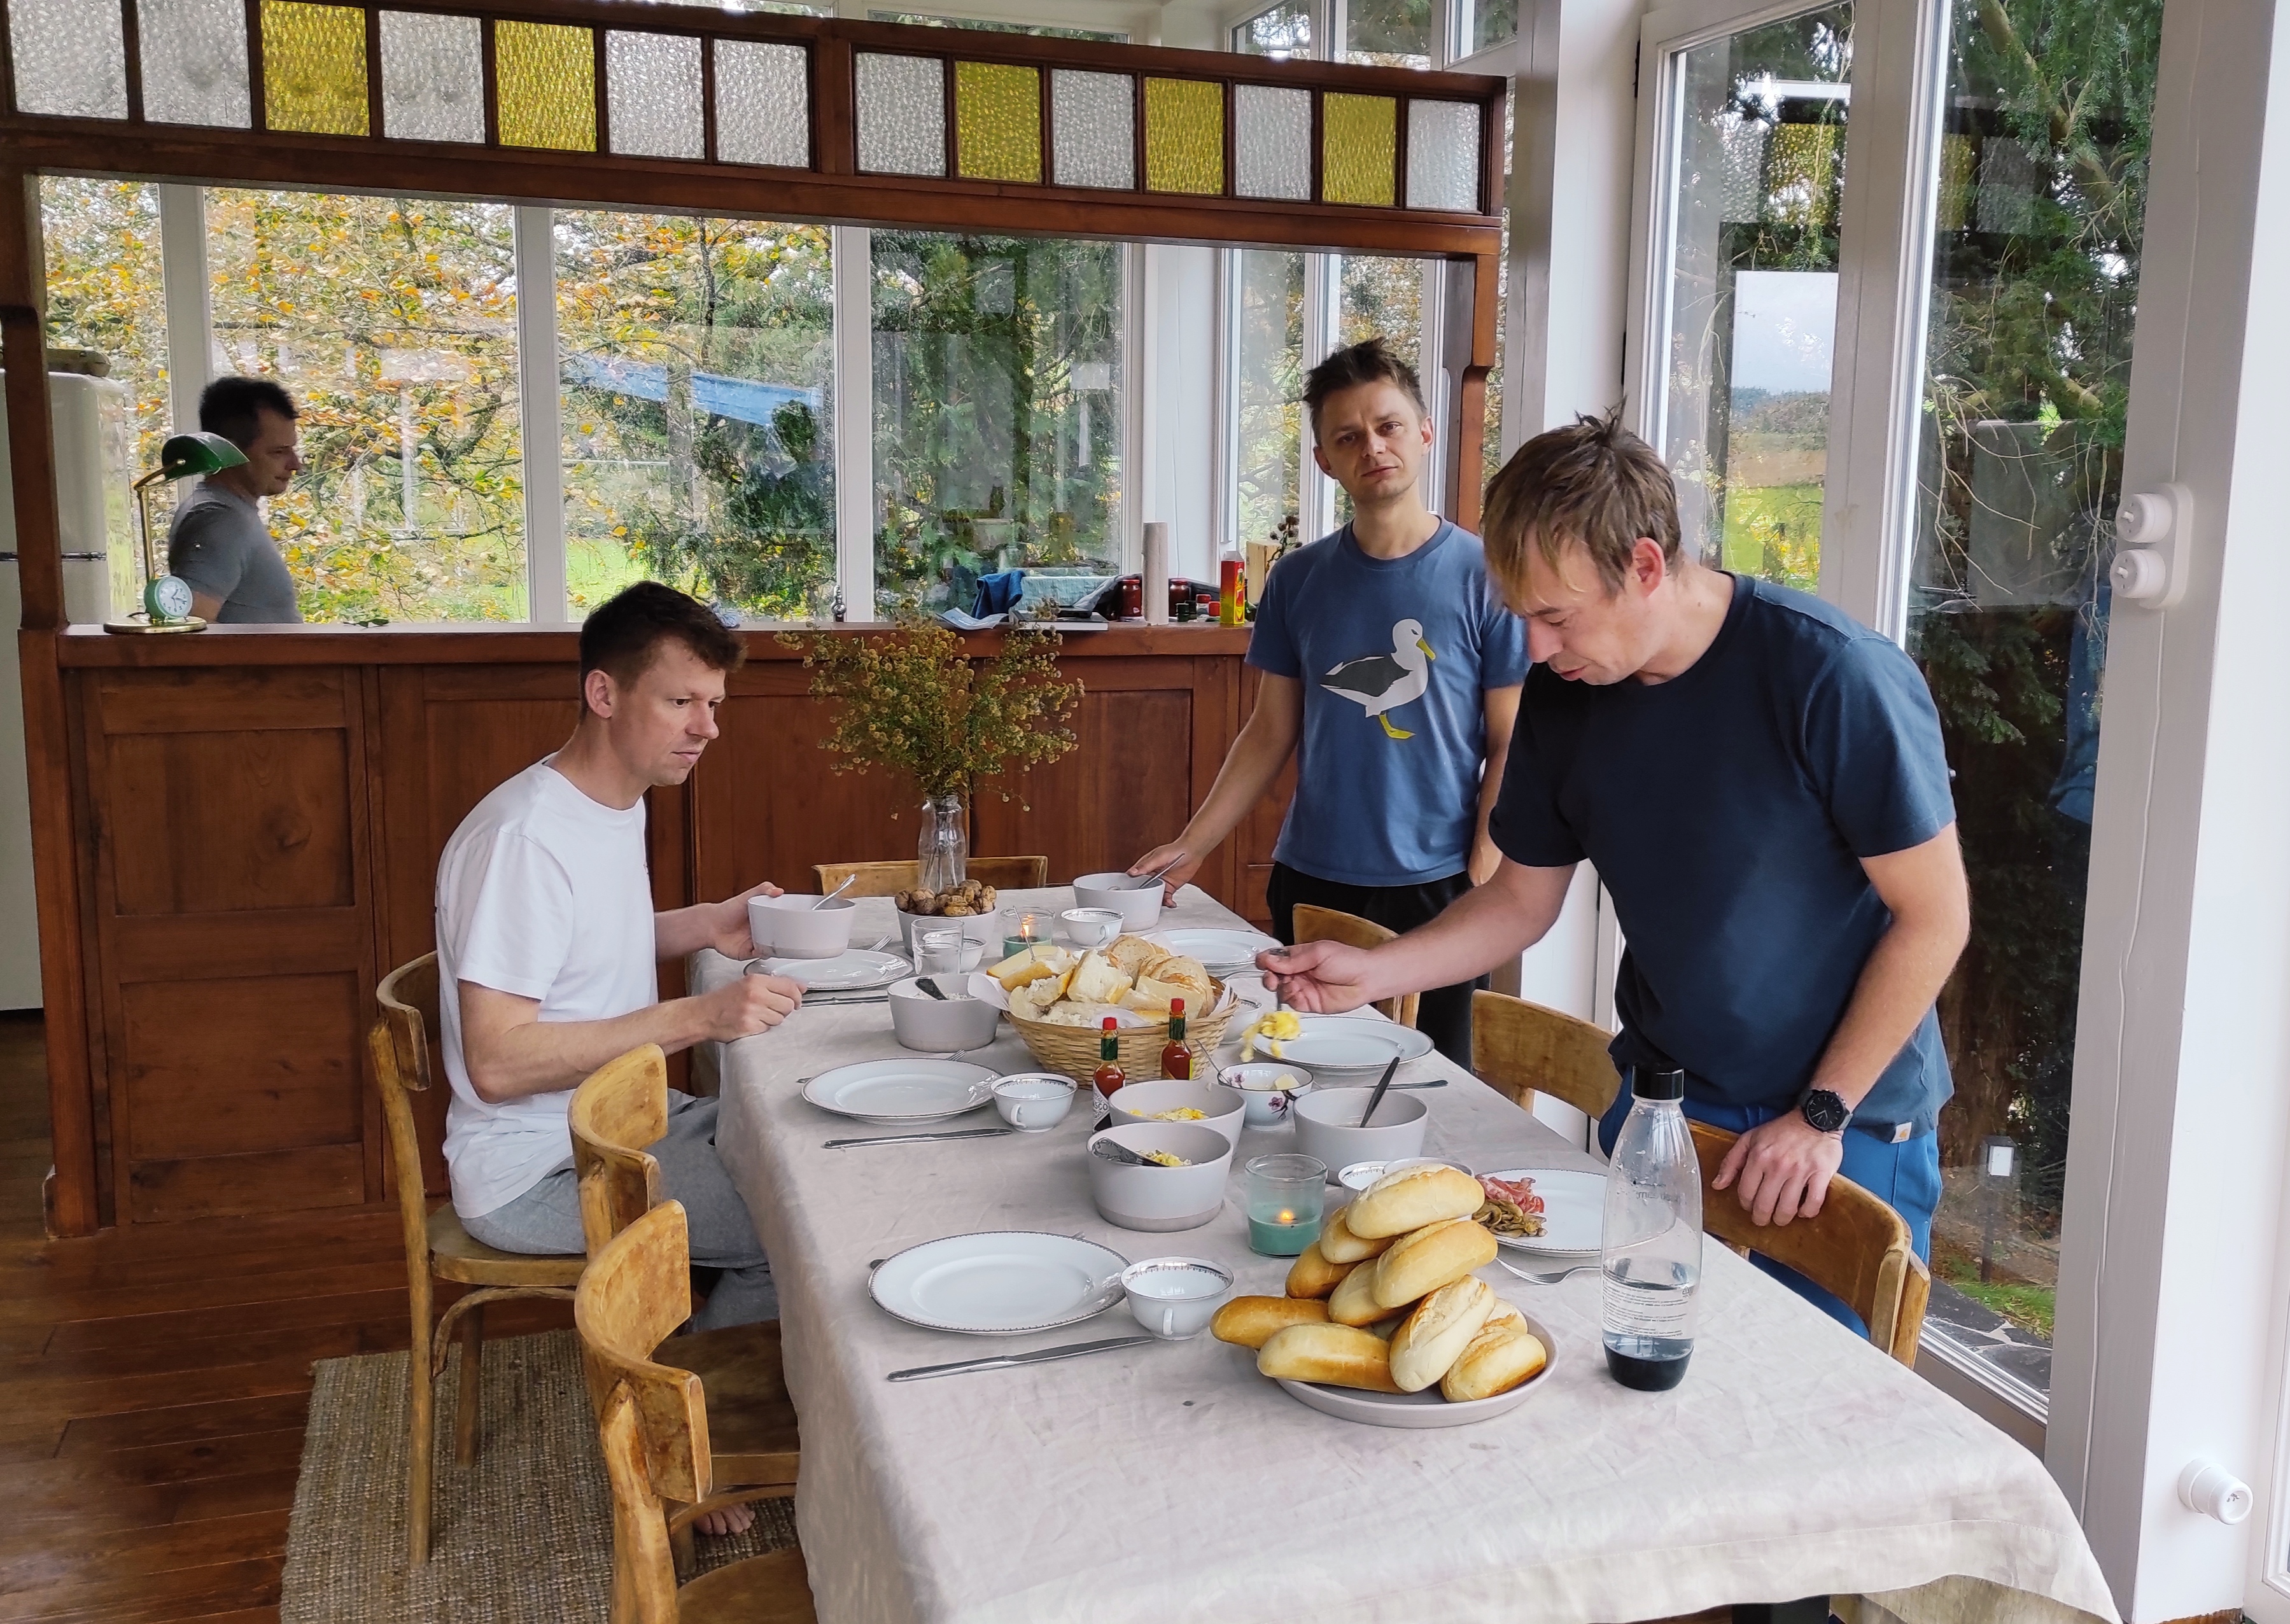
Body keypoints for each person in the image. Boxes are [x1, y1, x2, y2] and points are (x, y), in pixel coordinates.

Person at [1263, 411, 1969, 1329]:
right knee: (1630, 1376)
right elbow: (1520, 899)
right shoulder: (1569, 694)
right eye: (1523, 620)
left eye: (1555, 618)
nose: (1537, 652)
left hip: (1843, 1121)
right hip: (1664, 1105)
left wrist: (1820, 1114)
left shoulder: (1832, 676)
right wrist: (1374, 971)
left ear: (1643, 566)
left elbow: (1933, 918)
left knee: (1811, 1418)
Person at [436, 583, 801, 1527]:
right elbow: (499, 1063)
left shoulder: (609, 800)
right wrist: (696, 1018)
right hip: (538, 1169)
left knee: (801, 1147)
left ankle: (731, 1399)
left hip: (616, 1121)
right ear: (604, 695)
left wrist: (702, 926)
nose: (706, 728)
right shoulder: (523, 841)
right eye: (681, 702)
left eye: (714, 704)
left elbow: (584, 953)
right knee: (791, 1226)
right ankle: (696, 1455)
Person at [1128, 339, 1526, 1065]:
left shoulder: (1488, 578)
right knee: (1300, 1066)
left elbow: (1511, 742)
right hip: (1312, 877)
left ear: (1425, 431)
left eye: (1388, 425)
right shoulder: (1297, 580)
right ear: (1323, 460)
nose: (1372, 447)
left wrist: (1479, 876)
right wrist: (1194, 845)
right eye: (1348, 436)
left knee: (1434, 1079)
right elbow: (1268, 730)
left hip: (1439, 885)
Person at [166, 375, 306, 623]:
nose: (296, 465)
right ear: (229, 451)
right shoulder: (219, 520)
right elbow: (188, 636)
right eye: (278, 452)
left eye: (292, 450)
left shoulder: (231, 512)